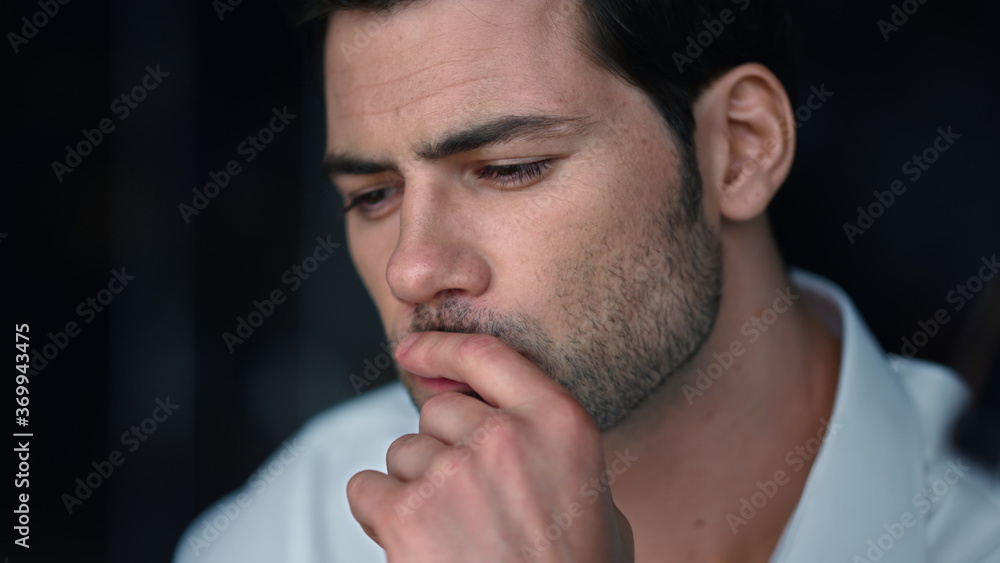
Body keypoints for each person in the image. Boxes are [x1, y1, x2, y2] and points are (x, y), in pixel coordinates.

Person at [175, 0, 1000, 561]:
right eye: (373, 195)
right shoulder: (294, 530)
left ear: (739, 147)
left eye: (508, 168)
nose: (413, 267)